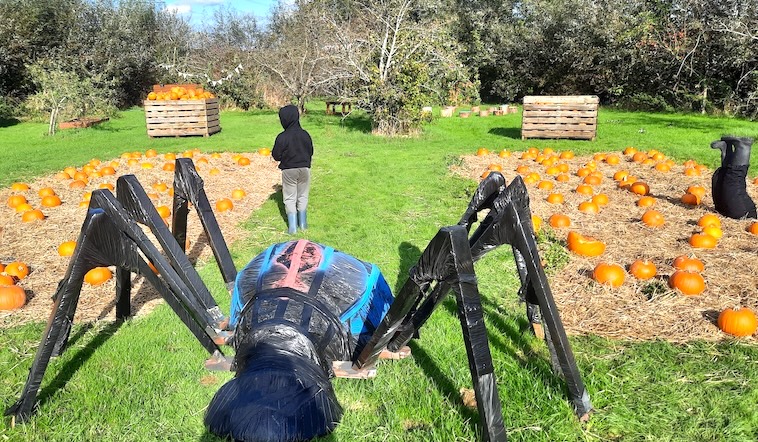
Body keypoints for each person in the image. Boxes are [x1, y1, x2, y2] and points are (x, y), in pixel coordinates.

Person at [272, 104, 314, 234]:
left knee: (290, 197)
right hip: (305, 169)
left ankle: (292, 227)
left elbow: (276, 155)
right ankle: (303, 223)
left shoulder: (282, 137)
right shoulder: (305, 134)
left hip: (289, 171)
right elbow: (310, 151)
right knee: (303, 195)